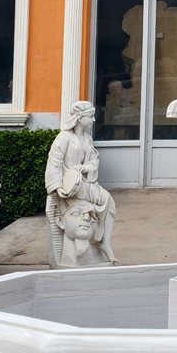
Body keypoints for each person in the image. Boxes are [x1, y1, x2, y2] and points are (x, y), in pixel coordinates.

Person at [45, 100, 117, 266]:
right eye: (90, 116)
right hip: (68, 186)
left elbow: (94, 160)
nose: (93, 120)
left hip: (84, 183)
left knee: (109, 203)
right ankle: (103, 243)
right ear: (79, 118)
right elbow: (54, 162)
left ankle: (105, 242)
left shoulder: (87, 138)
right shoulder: (64, 137)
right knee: (107, 200)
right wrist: (57, 186)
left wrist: (85, 167)